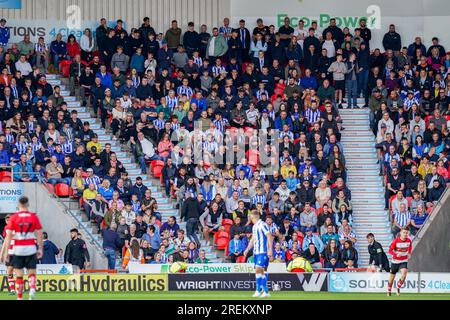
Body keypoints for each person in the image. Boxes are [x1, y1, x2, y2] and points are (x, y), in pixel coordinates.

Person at [0, 197, 43, 300]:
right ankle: (32, 288)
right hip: (31, 248)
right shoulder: (33, 217)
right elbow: (39, 234)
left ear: (19, 205)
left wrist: (5, 252)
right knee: (31, 272)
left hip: (17, 250)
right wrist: (40, 248)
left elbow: (8, 236)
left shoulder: (14, 218)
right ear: (28, 204)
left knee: (19, 275)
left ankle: (19, 297)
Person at [243, 210, 273, 298]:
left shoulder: (262, 224)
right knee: (262, 271)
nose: (250, 219)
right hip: (256, 252)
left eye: (250, 217)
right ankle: (265, 291)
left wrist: (270, 249)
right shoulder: (254, 226)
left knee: (258, 269)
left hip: (263, 251)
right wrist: (247, 249)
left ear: (253, 217)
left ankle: (258, 290)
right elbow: (253, 239)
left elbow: (269, 236)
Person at [387, 228, 412, 296]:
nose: (405, 234)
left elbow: (410, 248)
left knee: (404, 274)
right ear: (400, 233)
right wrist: (396, 254)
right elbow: (389, 250)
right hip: (395, 261)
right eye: (404, 232)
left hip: (404, 261)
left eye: (406, 233)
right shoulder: (396, 241)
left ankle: (398, 287)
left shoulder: (409, 241)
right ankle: (389, 290)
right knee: (392, 277)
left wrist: (409, 253)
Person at [1, 214, 16, 295]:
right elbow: (5, 241)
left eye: (9, 219)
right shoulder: (6, 228)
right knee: (10, 271)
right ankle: (13, 290)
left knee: (18, 271)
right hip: (10, 253)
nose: (8, 221)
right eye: (6, 220)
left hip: (17, 252)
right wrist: (2, 253)